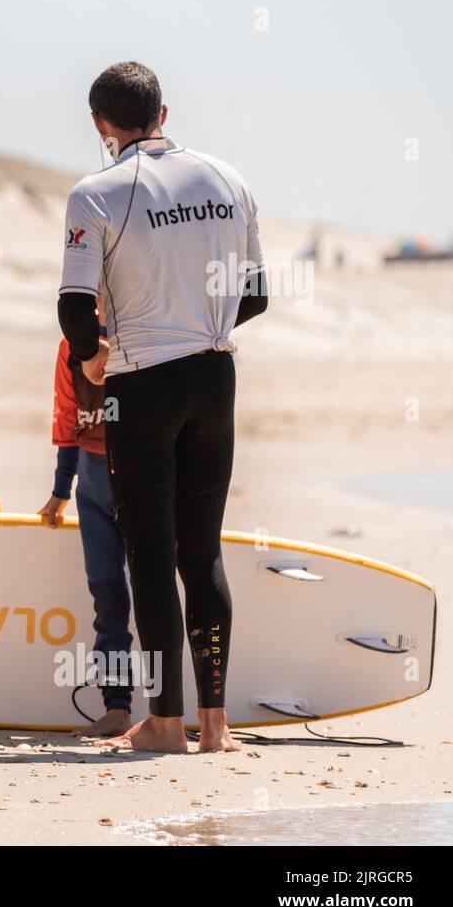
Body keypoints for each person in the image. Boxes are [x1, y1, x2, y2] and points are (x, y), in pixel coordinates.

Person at [57, 61, 268, 753]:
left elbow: (73, 308)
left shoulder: (96, 193)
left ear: (100, 125)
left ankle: (163, 725)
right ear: (164, 114)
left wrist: (93, 357)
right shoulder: (229, 179)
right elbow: (258, 296)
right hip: (215, 377)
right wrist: (196, 323)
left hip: (142, 384)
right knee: (200, 552)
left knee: (149, 556)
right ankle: (217, 726)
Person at [39, 301, 133, 738]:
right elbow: (67, 413)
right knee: (107, 601)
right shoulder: (69, 347)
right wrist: (61, 490)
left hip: (141, 487)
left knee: (152, 599)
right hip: (92, 493)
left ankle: (165, 710)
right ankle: (117, 708)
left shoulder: (141, 334)